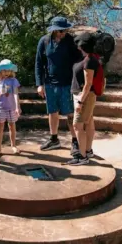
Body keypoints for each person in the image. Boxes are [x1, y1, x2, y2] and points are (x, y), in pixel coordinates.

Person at [35, 16, 81, 152]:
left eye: (65, 30)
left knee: (70, 113)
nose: (63, 33)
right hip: (50, 83)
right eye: (60, 31)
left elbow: (78, 60)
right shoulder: (44, 41)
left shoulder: (70, 41)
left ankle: (75, 141)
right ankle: (54, 139)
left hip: (67, 83)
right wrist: (40, 84)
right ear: (54, 31)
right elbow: (39, 63)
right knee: (52, 112)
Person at [67, 33, 101, 166]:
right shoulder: (90, 58)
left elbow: (88, 83)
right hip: (86, 96)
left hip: (84, 96)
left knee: (77, 125)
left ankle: (82, 157)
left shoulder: (89, 61)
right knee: (89, 122)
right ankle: (87, 150)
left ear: (83, 46)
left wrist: (80, 101)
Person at [0, 59, 22, 157]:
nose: (7, 72)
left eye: (9, 70)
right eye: (5, 70)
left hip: (11, 108)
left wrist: (17, 107)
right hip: (0, 108)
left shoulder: (13, 81)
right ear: (0, 71)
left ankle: (13, 145)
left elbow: (16, 94)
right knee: (0, 126)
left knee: (12, 125)